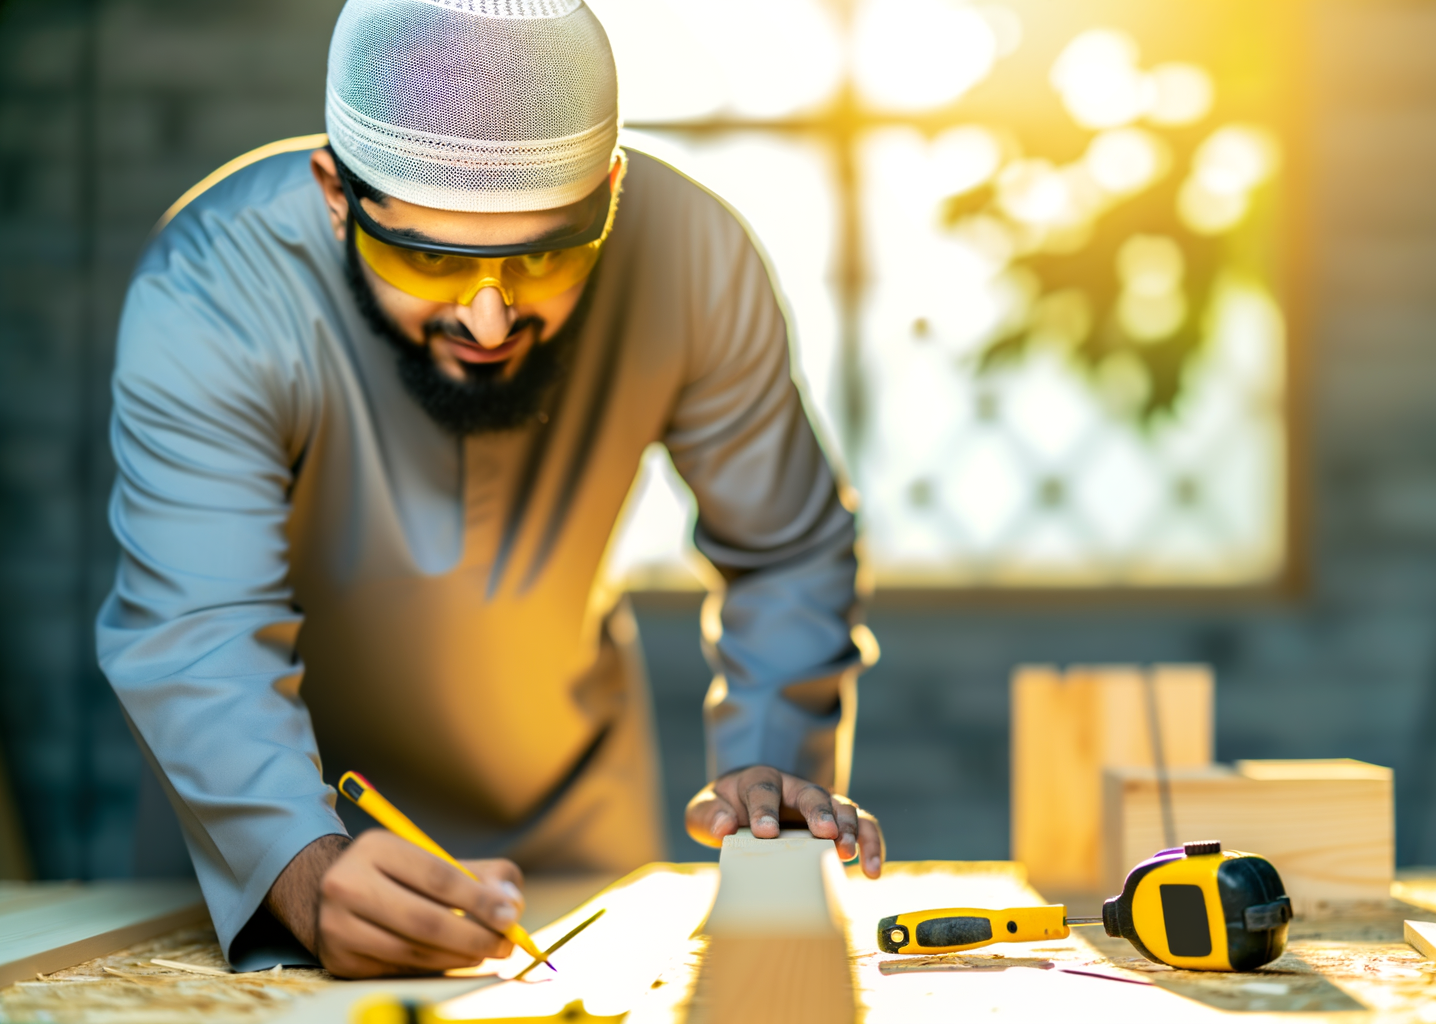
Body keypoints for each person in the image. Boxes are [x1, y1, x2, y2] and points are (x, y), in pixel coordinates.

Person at [96, 0, 880, 978]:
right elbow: (198, 624)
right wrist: (299, 868)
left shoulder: (694, 255)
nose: (489, 320)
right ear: (336, 195)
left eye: (544, 254)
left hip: (572, 837)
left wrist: (772, 767)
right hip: (274, 838)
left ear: (611, 193)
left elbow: (786, 551)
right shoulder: (216, 282)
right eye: (427, 256)